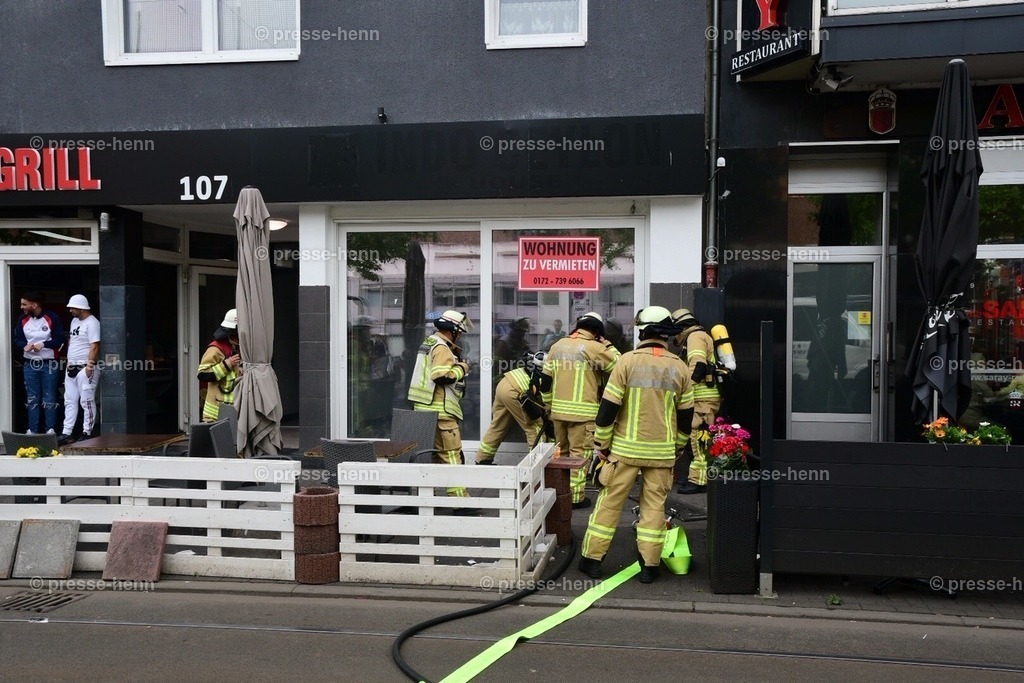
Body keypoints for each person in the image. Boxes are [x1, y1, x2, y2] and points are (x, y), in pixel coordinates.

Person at [578, 306, 694, 584]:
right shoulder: (680, 367)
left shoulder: (627, 362)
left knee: (609, 504)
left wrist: (601, 443)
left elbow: (608, 407)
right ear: (666, 335)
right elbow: (686, 416)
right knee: (654, 508)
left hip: (625, 452)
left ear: (642, 332)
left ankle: (592, 561)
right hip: (662, 454)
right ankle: (650, 566)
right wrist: (677, 448)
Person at [543, 312, 620, 509]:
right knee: (579, 456)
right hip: (583, 415)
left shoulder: (557, 346)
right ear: (596, 332)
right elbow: (621, 366)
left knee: (561, 455)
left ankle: (559, 493)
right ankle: (576, 498)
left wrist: (549, 406)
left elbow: (545, 381)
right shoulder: (594, 347)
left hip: (558, 413)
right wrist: (608, 345)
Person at [408, 310, 473, 499]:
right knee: (452, 454)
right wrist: (462, 367)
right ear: (452, 330)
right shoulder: (442, 347)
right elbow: (442, 376)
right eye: (459, 332)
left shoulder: (429, 342)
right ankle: (459, 501)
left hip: (425, 410)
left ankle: (429, 498)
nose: (460, 335)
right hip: (441, 412)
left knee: (434, 456)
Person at [671, 308, 723, 495]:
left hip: (703, 398)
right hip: (702, 397)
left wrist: (683, 390)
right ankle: (696, 476)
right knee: (697, 437)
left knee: (698, 438)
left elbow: (698, 366)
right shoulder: (697, 336)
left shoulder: (695, 337)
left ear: (681, 327)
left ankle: (700, 481)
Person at [477, 352, 549, 464]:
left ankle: (482, 460)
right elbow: (544, 397)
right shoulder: (545, 374)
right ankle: (537, 466)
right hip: (516, 392)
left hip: (504, 384)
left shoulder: (531, 367)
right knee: (534, 426)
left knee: (499, 424)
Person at [13, 291, 66, 435]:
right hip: (30, 363)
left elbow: (60, 339)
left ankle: (50, 430)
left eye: (24, 304)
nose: (21, 307)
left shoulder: (51, 317)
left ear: (34, 304)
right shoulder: (22, 320)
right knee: (32, 398)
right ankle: (32, 431)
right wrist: (24, 345)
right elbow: (17, 339)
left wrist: (43, 344)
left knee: (49, 397)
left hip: (49, 363)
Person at [58, 295, 100, 446]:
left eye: (73, 308)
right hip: (72, 366)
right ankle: (67, 432)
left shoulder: (93, 323)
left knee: (86, 400)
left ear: (82, 308)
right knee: (70, 400)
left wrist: (89, 366)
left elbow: (95, 345)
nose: (70, 310)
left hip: (84, 367)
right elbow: (72, 341)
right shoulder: (74, 321)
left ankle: (87, 432)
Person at [196, 309, 241, 423]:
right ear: (232, 332)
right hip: (215, 414)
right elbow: (202, 375)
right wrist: (226, 365)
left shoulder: (242, 349)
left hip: (236, 410)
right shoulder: (216, 349)